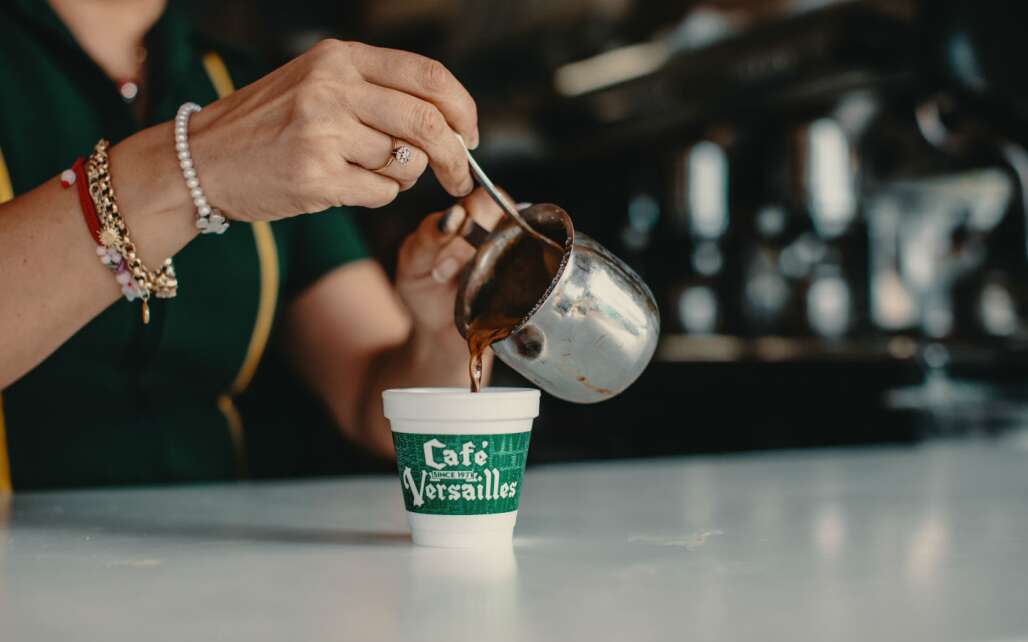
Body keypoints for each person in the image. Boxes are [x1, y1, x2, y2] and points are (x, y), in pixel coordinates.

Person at [0, 0, 505, 490]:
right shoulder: (256, 115)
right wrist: (192, 164)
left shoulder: (244, 88)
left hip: (211, 556)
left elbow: (372, 403)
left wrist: (447, 327)